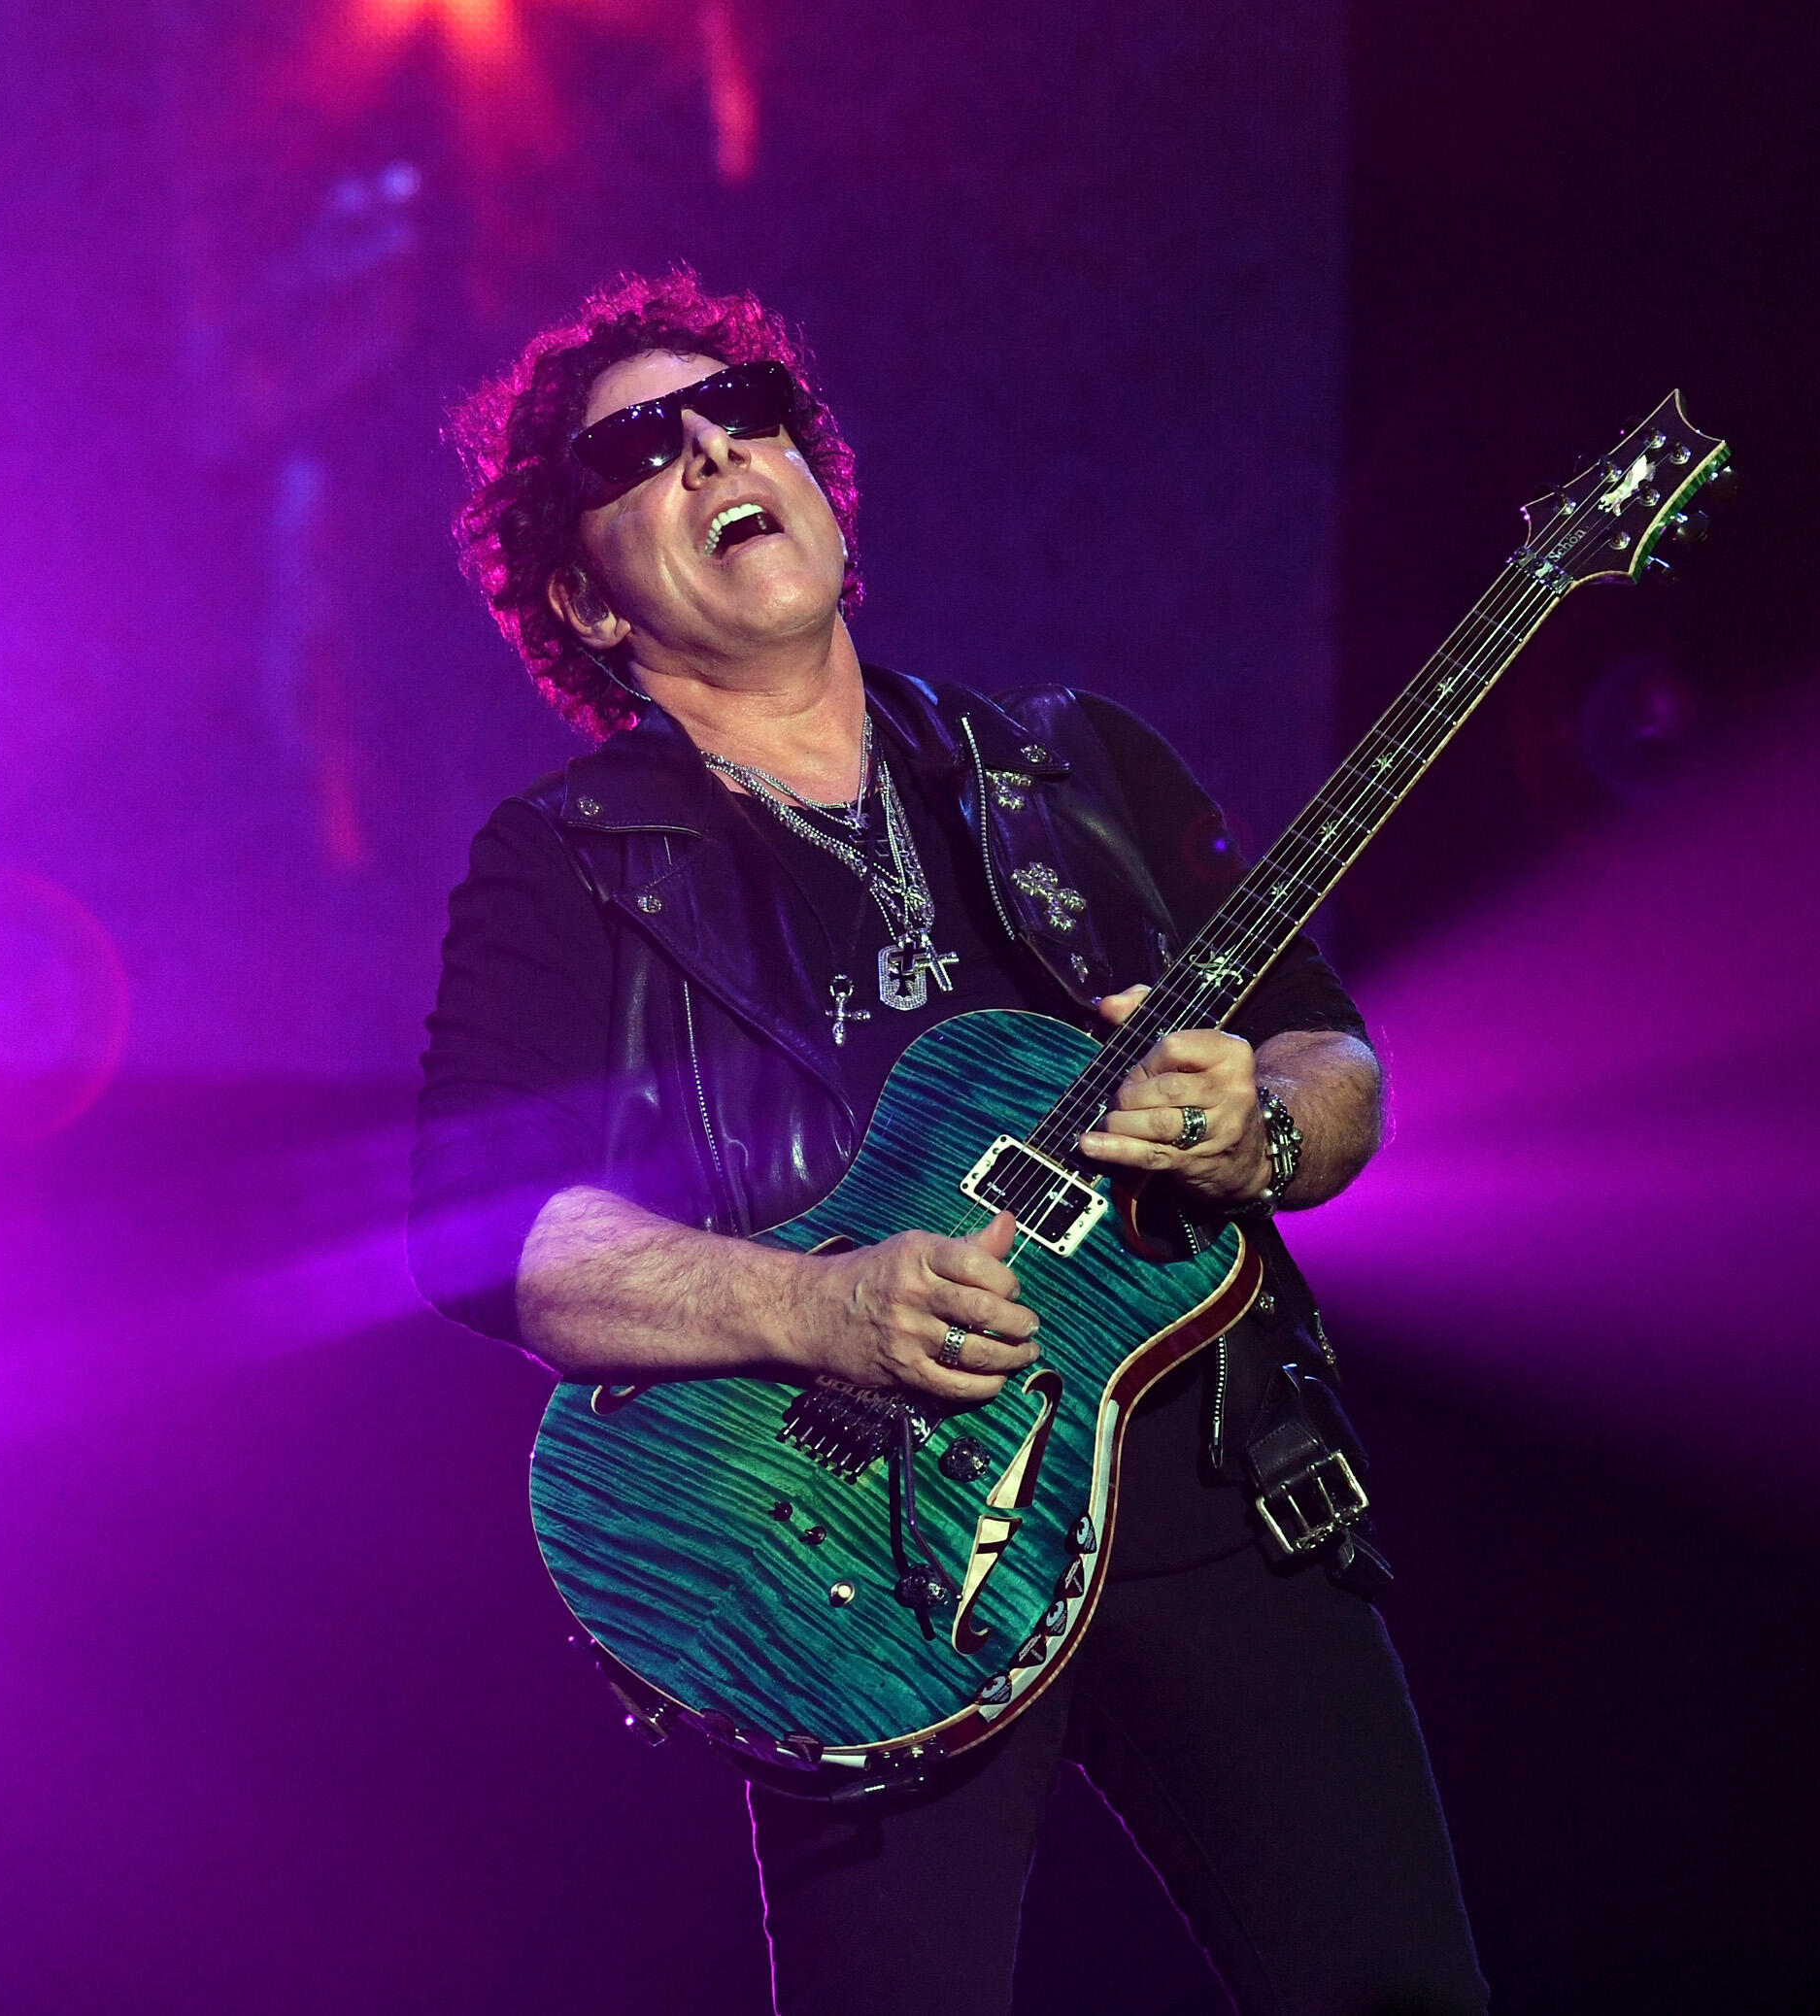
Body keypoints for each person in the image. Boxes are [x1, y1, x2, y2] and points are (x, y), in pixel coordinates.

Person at [409, 268, 1483, 2016]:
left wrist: (1264, 1123)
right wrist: (818, 1309)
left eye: (743, 411)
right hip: (846, 1557)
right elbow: (479, 1232)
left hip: (1221, 1490)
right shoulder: (570, 859)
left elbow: (1327, 1050)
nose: (711, 450)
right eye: (638, 450)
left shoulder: (1072, 764)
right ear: (583, 601)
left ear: (819, 477)